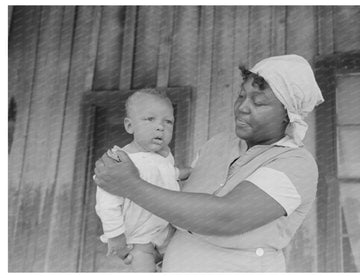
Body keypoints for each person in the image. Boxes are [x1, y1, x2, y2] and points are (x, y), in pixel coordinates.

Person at [94, 54, 324, 272]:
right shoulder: (218, 144)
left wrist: (130, 185)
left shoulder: (295, 163)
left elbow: (226, 217)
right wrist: (149, 245)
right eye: (241, 95)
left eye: (259, 102)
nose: (242, 107)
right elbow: (179, 203)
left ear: (289, 113)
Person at [95, 89, 191, 272]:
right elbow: (106, 202)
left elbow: (165, 174)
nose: (160, 127)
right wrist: (115, 235)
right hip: (140, 240)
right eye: (150, 119)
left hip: (167, 231)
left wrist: (182, 172)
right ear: (130, 126)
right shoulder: (118, 159)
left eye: (168, 122)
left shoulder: (164, 155)